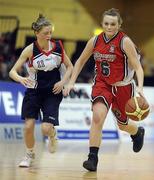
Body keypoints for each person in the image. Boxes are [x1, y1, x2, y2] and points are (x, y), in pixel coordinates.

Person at [64, 8, 145, 171]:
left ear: (119, 25)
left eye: (113, 24)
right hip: (102, 84)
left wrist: (141, 88)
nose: (109, 27)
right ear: (102, 24)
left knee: (122, 125)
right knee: (97, 117)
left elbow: (138, 67)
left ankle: (137, 133)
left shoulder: (125, 42)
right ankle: (92, 158)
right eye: (106, 23)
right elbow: (79, 61)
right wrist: (71, 82)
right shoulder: (95, 41)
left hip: (123, 86)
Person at [9, 14, 73, 168]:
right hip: (34, 91)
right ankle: (29, 155)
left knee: (45, 129)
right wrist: (21, 79)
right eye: (46, 33)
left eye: (50, 32)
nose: (49, 35)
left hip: (52, 91)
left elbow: (70, 67)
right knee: (28, 126)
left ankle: (52, 135)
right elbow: (12, 72)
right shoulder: (30, 50)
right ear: (37, 33)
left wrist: (63, 82)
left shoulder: (58, 47)